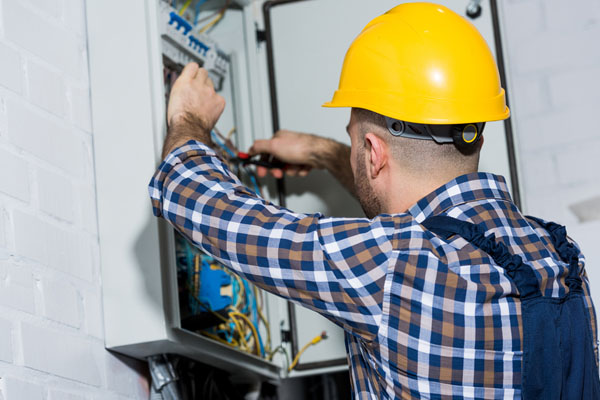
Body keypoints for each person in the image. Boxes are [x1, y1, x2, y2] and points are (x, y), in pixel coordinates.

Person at [149, 3, 600, 399]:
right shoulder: (557, 258)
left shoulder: (392, 266)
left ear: (373, 153)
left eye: (353, 143)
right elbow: (421, 218)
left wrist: (188, 116)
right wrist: (324, 153)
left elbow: (195, 199)